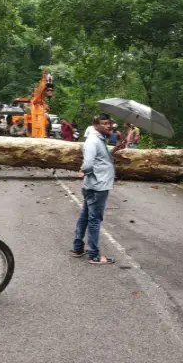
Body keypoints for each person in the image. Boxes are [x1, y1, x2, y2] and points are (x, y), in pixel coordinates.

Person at [71, 113, 126, 264]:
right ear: (96, 125)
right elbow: (88, 164)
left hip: (95, 185)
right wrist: (85, 171)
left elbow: (100, 158)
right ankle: (94, 255)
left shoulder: (98, 140)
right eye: (104, 123)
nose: (108, 126)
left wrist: (115, 150)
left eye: (109, 123)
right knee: (95, 220)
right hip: (97, 187)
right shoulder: (93, 141)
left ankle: (77, 248)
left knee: (85, 217)